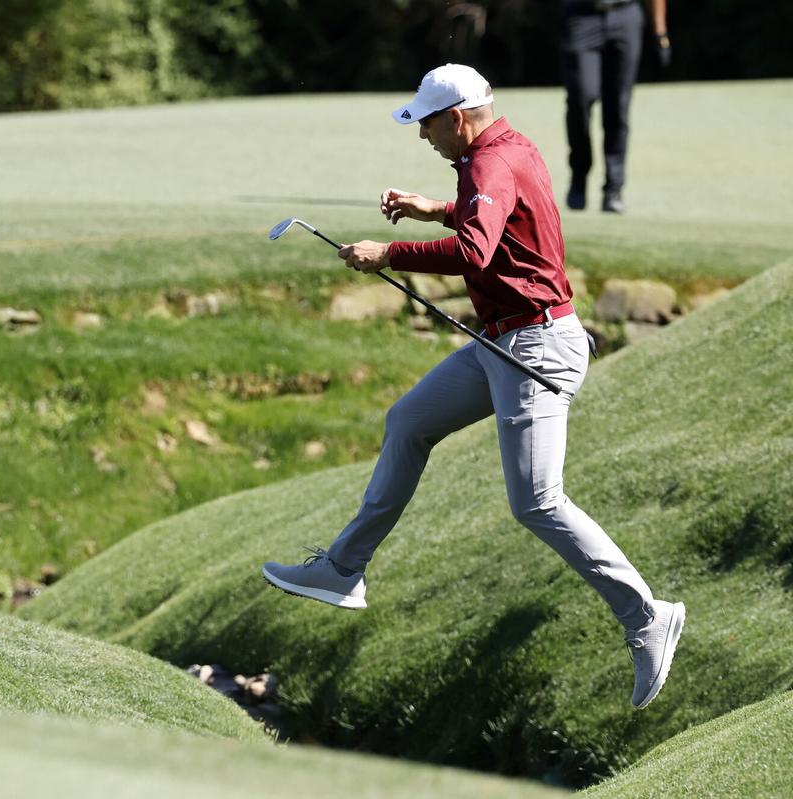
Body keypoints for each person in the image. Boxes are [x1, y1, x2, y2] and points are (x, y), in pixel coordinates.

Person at [261, 64, 684, 710]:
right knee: (409, 421)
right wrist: (430, 208)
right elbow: (496, 216)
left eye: (427, 124)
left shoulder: (487, 164)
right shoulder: (507, 148)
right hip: (502, 342)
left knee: (537, 502)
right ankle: (342, 568)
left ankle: (647, 616)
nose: (423, 137)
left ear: (457, 118)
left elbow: (477, 250)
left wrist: (389, 252)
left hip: (534, 344)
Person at [561, 0, 671, 213]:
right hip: (581, 17)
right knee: (581, 99)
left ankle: (614, 189)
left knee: (618, 106)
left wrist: (660, 31)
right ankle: (579, 174)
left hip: (625, 15)